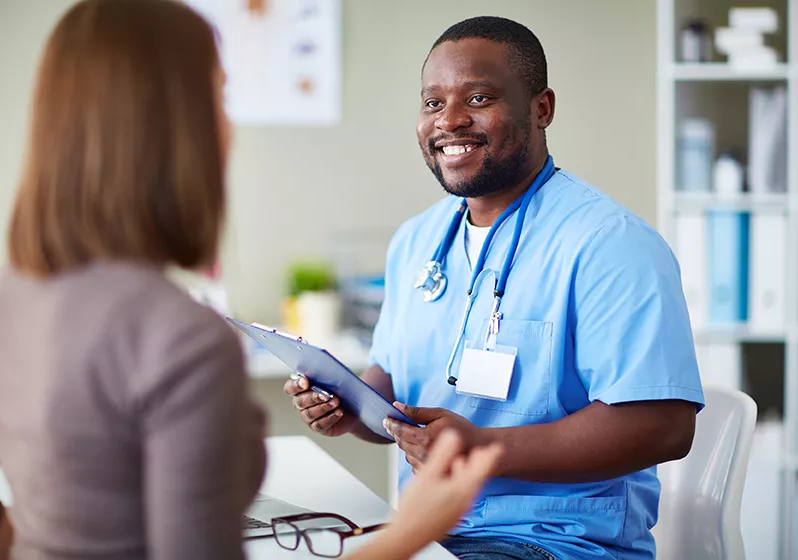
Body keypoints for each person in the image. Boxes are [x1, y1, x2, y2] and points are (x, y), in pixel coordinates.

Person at [0, 1, 503, 559]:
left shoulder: (15, 291)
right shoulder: (180, 339)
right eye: (220, 95)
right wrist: (414, 529)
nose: (228, 122)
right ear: (179, 129)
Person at [285, 15, 705, 560]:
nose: (450, 121)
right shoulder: (415, 242)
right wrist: (347, 407)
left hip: (555, 543)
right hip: (428, 530)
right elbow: (389, 388)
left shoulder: (611, 245)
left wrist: (483, 447)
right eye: (433, 103)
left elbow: (664, 426)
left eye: (478, 99)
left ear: (542, 108)